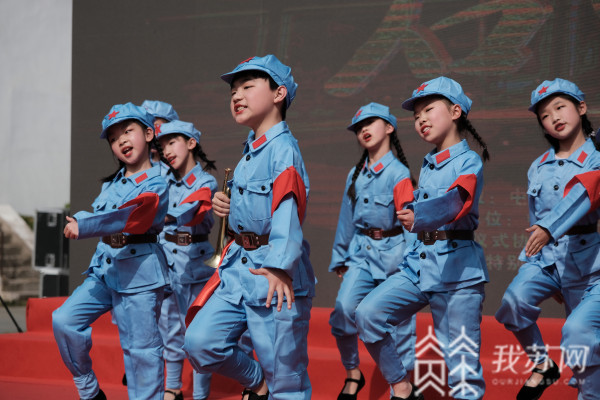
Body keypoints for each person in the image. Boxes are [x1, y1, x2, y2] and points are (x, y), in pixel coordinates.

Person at [183, 54, 315, 400]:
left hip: (272, 274)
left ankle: (270, 387)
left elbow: (288, 208)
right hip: (239, 270)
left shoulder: (283, 149)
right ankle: (258, 384)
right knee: (200, 343)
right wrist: (228, 207)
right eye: (233, 92)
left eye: (247, 87)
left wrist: (279, 266)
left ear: (278, 93)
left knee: (287, 380)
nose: (236, 96)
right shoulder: (250, 153)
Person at [355, 77, 490, 400]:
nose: (421, 120)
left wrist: (419, 214)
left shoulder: (468, 160)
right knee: (368, 314)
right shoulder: (428, 164)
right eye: (416, 116)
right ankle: (403, 387)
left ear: (455, 111)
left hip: (457, 269)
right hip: (420, 265)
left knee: (462, 369)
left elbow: (458, 200)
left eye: (429, 110)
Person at [52, 103, 170, 400]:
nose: (122, 141)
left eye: (128, 131)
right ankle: (90, 392)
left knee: (141, 351)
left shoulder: (157, 182)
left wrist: (85, 224)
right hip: (106, 270)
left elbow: (131, 216)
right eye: (114, 139)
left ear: (148, 134)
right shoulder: (113, 183)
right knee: (64, 321)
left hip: (139, 274)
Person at [495, 78, 600, 400]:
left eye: (560, 107)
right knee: (514, 302)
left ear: (581, 108)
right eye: (544, 115)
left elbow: (583, 195)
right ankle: (543, 365)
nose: (554, 117)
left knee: (579, 336)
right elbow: (534, 220)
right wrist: (536, 259)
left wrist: (548, 229)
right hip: (546, 261)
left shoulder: (596, 158)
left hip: (587, 263)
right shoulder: (538, 166)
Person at [328, 102, 417, 400]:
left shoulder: (399, 173)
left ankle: (401, 389)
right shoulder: (355, 174)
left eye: (371, 122)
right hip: (361, 255)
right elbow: (346, 219)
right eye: (359, 127)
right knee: (343, 310)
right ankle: (353, 372)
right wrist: (340, 257)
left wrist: (413, 265)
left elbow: (410, 224)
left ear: (389, 127)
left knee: (399, 325)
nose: (364, 129)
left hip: (395, 257)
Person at [156, 120, 218, 400]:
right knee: (169, 330)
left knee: (196, 335)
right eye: (163, 146)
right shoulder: (163, 181)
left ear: (191, 143)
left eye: (172, 142)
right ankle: (172, 388)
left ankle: (200, 395)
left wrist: (165, 216)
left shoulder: (206, 181)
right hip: (167, 263)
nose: (167, 151)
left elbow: (193, 208)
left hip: (194, 266)